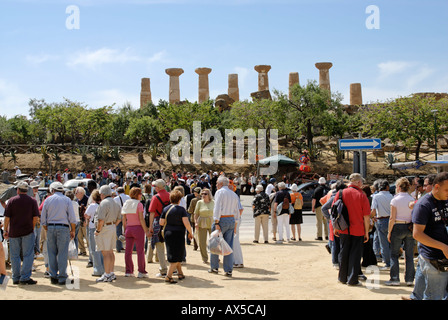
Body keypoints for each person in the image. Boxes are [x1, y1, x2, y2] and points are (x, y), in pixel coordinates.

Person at [408, 172, 448, 300]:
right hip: (434, 259)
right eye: (447, 190)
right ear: (436, 187)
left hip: (438, 257)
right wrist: (443, 247)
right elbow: (417, 234)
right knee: (434, 296)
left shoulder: (445, 200)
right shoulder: (423, 205)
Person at [332, 173, 370, 286]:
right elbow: (366, 216)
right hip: (358, 229)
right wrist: (366, 232)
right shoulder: (362, 195)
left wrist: (335, 227)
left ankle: (342, 277)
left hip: (343, 228)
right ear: (358, 182)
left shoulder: (340, 193)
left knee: (343, 252)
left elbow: (333, 212)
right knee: (355, 254)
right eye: (361, 182)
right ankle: (353, 279)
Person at [3, 181, 39, 285]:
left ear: (18, 190)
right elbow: (35, 217)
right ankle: (25, 277)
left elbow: (7, 218)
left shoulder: (11, 201)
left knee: (15, 255)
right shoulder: (32, 201)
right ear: (27, 190)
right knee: (28, 255)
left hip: (14, 232)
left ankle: (16, 277)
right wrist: (31, 228)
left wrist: (6, 230)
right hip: (27, 231)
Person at [41, 182, 77, 285]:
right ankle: (62, 277)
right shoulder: (67, 200)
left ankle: (53, 276)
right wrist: (72, 230)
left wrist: (47, 228)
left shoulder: (48, 200)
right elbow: (72, 218)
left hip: (51, 227)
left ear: (53, 190)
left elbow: (43, 218)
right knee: (62, 253)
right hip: (63, 228)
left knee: (51, 252)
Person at [385, 177, 415, 286]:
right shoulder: (411, 198)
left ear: (398, 187)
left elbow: (392, 218)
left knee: (394, 254)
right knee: (409, 255)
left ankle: (395, 278)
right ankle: (409, 279)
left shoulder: (395, 200)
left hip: (397, 226)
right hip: (409, 227)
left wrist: (389, 232)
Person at [160, 189, 194, 284]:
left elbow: (161, 222)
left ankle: (180, 273)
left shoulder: (165, 209)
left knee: (174, 253)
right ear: (179, 199)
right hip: (178, 233)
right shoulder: (181, 210)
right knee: (177, 254)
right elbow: (186, 223)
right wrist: (190, 233)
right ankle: (168, 276)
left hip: (168, 233)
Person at [209, 176, 240, 277]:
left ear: (221, 183)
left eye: (217, 183)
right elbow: (237, 211)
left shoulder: (220, 192)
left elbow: (217, 207)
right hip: (231, 219)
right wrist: (235, 224)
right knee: (229, 245)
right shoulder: (234, 194)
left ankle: (214, 267)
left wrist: (216, 221)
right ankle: (228, 269)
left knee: (215, 242)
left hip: (221, 219)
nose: (216, 184)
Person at [94, 185, 122, 282]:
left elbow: (101, 219)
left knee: (105, 253)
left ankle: (107, 274)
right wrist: (113, 224)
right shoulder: (115, 202)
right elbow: (119, 218)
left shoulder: (104, 203)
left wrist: (98, 230)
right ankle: (111, 272)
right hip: (112, 227)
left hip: (105, 228)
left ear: (102, 194)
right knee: (110, 252)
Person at [122, 187, 149, 278]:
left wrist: (125, 229)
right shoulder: (139, 204)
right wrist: (146, 230)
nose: (141, 195)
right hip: (138, 228)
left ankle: (128, 271)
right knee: (140, 251)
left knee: (128, 251)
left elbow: (124, 219)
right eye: (140, 193)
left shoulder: (126, 203)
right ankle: (141, 271)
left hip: (128, 228)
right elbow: (141, 219)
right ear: (137, 194)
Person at [148, 179, 170, 278]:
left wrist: (150, 226)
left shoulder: (155, 197)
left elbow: (152, 213)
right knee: (170, 246)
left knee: (160, 247)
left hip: (158, 222)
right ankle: (174, 268)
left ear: (158, 187)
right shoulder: (169, 195)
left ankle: (163, 270)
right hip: (170, 221)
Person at [370, 179, 393, 271]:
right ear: (387, 187)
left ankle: (387, 263)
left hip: (381, 220)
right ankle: (393, 261)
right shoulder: (392, 196)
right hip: (391, 220)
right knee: (391, 242)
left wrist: (372, 217)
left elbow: (373, 210)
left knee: (383, 243)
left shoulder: (376, 197)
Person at [84, 190, 104, 277]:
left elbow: (86, 215)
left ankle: (97, 269)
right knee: (102, 249)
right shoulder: (103, 205)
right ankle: (103, 268)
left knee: (93, 249)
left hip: (93, 228)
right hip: (102, 228)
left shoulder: (92, 206)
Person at [194, 188, 214, 263]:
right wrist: (196, 222)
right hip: (202, 222)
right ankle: (204, 258)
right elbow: (196, 214)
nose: (203, 195)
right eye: (202, 194)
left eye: (205, 194)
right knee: (202, 242)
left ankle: (214, 256)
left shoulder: (213, 202)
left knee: (214, 241)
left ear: (209, 195)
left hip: (212, 222)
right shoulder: (199, 202)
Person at [114, 187, 130, 253]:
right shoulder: (128, 197)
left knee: (118, 231)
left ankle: (118, 247)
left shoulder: (115, 199)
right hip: (127, 215)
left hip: (119, 215)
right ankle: (129, 246)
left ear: (117, 192)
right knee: (128, 231)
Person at [75, 187, 89, 256]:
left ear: (81, 193)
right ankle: (82, 250)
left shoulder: (87, 199)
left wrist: (86, 220)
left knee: (87, 236)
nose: (75, 194)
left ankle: (90, 250)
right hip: (78, 220)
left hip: (85, 221)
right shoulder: (76, 200)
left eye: (76, 193)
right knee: (79, 236)